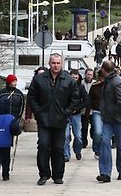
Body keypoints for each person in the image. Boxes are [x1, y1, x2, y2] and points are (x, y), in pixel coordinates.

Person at [27, 53, 80, 186]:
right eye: (53, 63)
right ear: (49, 64)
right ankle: (44, 174)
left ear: (61, 64)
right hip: (44, 119)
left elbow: (74, 100)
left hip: (60, 120)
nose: (55, 66)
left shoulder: (69, 80)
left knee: (58, 148)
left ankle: (58, 175)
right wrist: (38, 112)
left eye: (58, 63)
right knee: (43, 145)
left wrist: (66, 112)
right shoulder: (39, 79)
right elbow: (32, 97)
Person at [96, 61, 121, 183]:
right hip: (108, 119)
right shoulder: (109, 81)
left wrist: (112, 111)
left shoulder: (116, 82)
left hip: (119, 119)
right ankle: (105, 173)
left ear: (104, 70)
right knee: (105, 141)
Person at [64, 69, 89, 162]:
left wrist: (78, 108)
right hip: (66, 114)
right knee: (65, 135)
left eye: (76, 77)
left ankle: (78, 150)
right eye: (73, 77)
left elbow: (86, 100)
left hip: (76, 114)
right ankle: (66, 154)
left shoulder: (80, 87)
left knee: (78, 135)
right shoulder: (64, 86)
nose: (74, 79)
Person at [86, 69, 104, 159]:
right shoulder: (95, 86)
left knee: (105, 134)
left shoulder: (111, 86)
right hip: (97, 111)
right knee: (97, 132)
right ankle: (96, 149)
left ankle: (102, 150)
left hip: (108, 112)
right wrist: (87, 114)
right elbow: (89, 100)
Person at [81, 68, 96, 148]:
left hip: (93, 110)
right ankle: (84, 142)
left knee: (94, 127)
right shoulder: (81, 83)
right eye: (88, 74)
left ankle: (94, 139)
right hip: (83, 110)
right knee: (84, 127)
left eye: (91, 75)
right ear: (85, 75)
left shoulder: (95, 84)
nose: (89, 76)